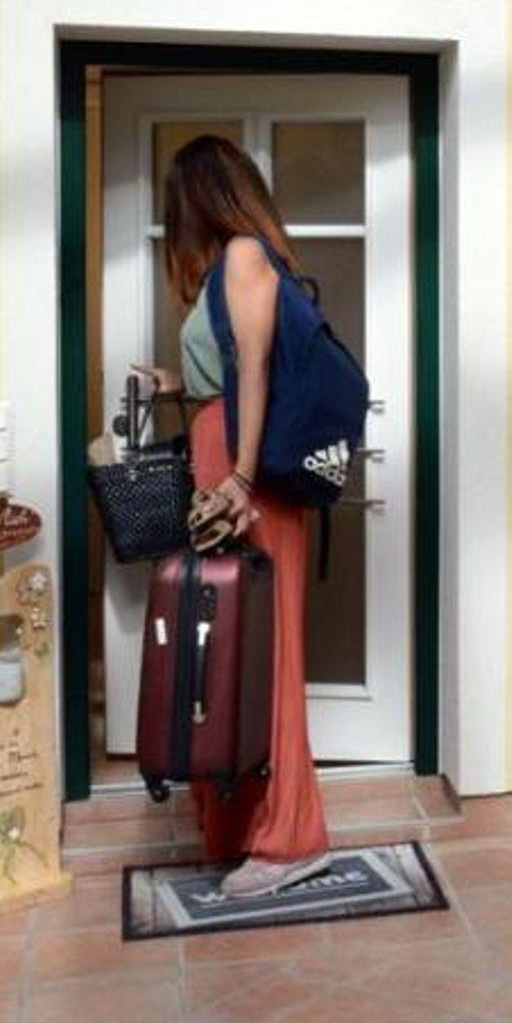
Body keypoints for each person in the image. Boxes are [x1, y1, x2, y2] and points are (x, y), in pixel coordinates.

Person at [137, 134, 331, 898]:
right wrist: (170, 380)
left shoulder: (246, 255)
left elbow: (254, 371)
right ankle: (245, 826)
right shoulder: (227, 267)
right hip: (218, 452)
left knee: (267, 647)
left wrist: (243, 477)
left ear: (199, 199)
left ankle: (291, 840)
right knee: (226, 648)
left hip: (246, 470)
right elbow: (225, 371)